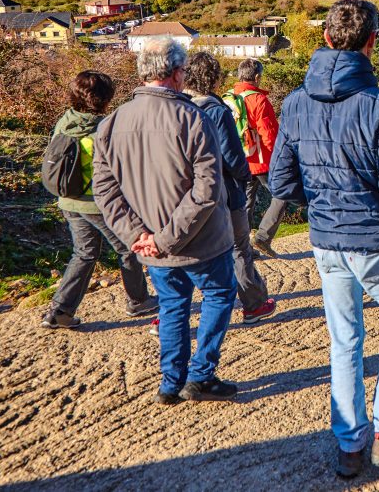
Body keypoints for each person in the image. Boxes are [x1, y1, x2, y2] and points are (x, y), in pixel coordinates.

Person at [269, 0, 379, 478]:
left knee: (345, 341)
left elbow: (281, 183)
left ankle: (350, 445)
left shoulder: (295, 102)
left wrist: (319, 201)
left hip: (326, 239)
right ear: (371, 42)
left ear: (325, 38)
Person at [94, 38, 237, 405]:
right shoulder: (194, 118)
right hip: (201, 241)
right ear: (175, 74)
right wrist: (166, 238)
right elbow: (207, 190)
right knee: (219, 295)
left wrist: (140, 236)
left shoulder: (112, 123)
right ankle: (201, 375)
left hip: (150, 247)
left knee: (173, 305)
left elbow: (105, 192)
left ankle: (171, 382)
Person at [41, 71, 158, 329]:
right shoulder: (105, 128)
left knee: (84, 252)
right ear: (105, 98)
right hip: (97, 203)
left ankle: (59, 311)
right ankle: (138, 300)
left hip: (68, 199)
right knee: (128, 247)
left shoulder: (65, 121)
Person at [184, 52, 276, 324]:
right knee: (239, 247)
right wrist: (244, 173)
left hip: (186, 192)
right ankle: (254, 304)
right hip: (226, 185)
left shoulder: (178, 107)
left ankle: (169, 315)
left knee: (184, 254)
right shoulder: (217, 109)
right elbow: (233, 156)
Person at [227, 58, 285, 259]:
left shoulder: (230, 97)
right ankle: (263, 236)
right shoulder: (258, 100)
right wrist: (280, 157)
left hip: (240, 159)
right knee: (283, 193)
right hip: (261, 160)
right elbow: (269, 135)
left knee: (246, 202)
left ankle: (242, 246)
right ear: (257, 77)